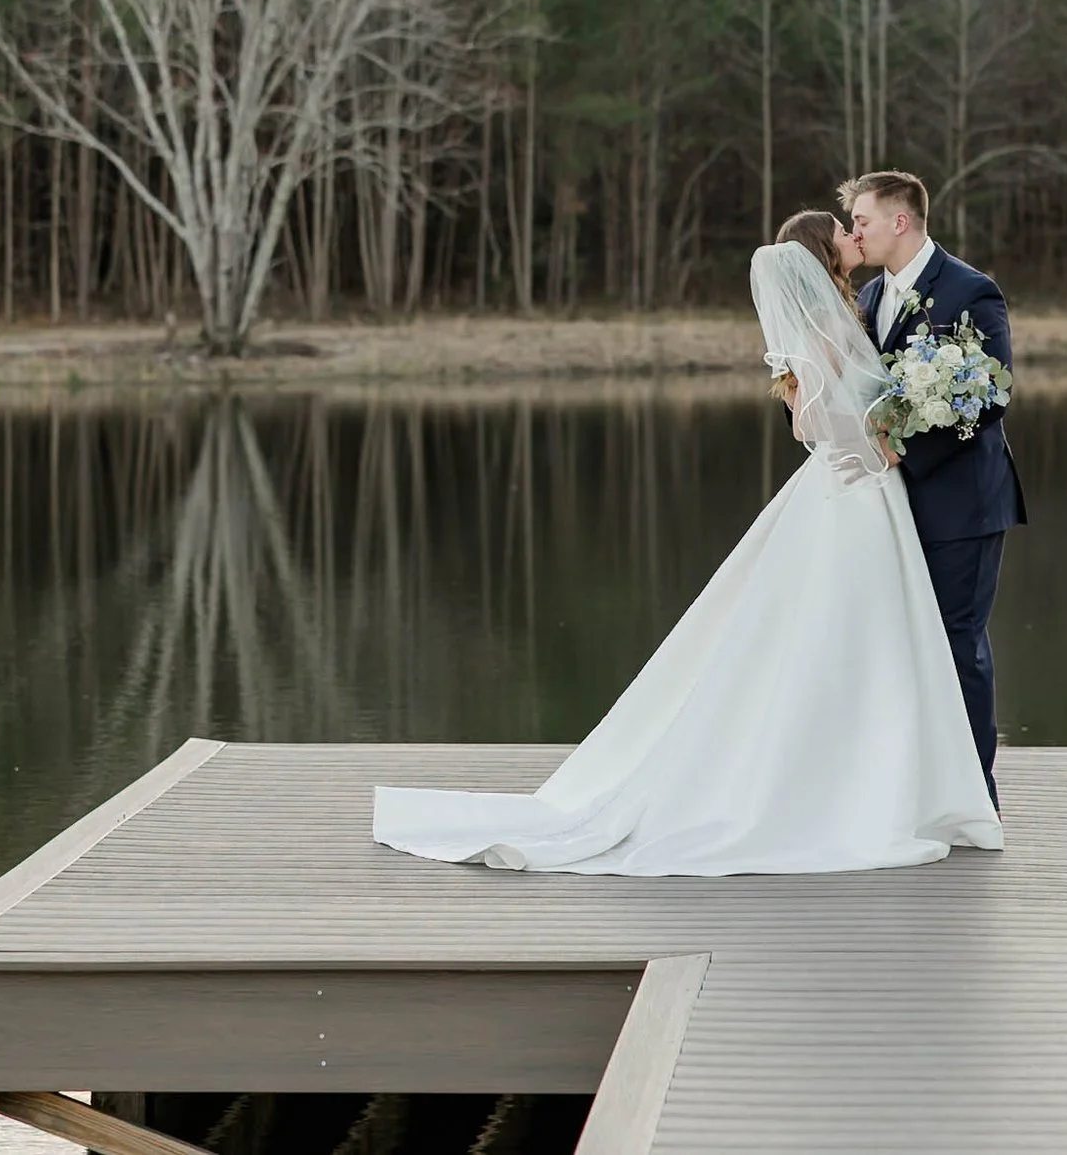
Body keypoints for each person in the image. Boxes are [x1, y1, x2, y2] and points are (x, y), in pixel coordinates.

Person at [370, 208, 1003, 875]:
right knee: (842, 640)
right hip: (854, 488)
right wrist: (878, 430)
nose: (855, 236)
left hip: (867, 493)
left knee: (873, 642)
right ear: (824, 251)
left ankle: (893, 785)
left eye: (859, 225)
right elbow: (809, 416)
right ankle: (848, 793)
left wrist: (889, 419)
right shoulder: (826, 318)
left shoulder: (856, 304)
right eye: (845, 231)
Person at [842, 171, 1025, 804]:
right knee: (898, 647)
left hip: (963, 504)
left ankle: (975, 796)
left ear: (900, 221)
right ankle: (912, 789)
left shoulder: (972, 290)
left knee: (957, 645)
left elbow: (990, 395)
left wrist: (903, 452)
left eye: (861, 220)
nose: (853, 232)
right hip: (888, 508)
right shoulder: (867, 298)